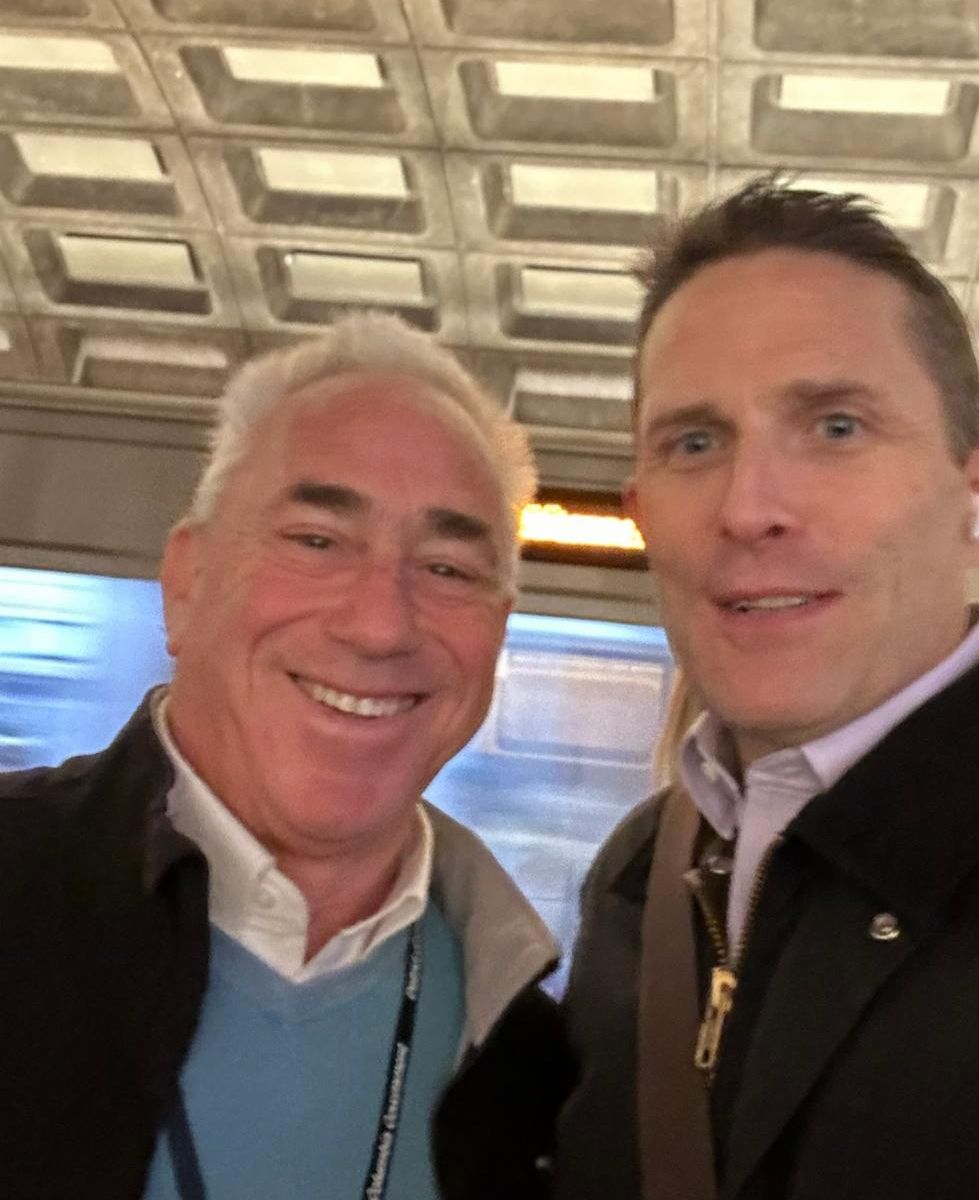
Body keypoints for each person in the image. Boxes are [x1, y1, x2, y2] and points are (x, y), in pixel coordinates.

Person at [554, 177, 979, 1200]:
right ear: (642, 513)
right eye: (695, 443)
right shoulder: (641, 875)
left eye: (837, 428)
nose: (748, 508)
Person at [0, 313, 575, 1200]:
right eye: (316, 541)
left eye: (449, 569)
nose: (381, 624)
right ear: (186, 583)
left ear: (497, 634)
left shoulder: (527, 1061)